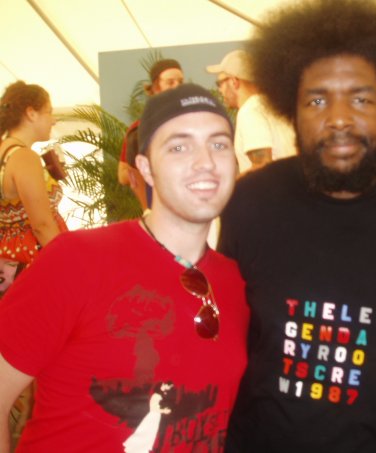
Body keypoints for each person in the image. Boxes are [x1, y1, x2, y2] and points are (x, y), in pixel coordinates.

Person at [217, 1, 376, 451]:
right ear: (291, 109)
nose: (339, 118)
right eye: (317, 100)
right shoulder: (250, 202)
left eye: (361, 99)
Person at [0, 83, 249, 452]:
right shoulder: (76, 261)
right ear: (145, 168)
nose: (205, 162)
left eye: (219, 144)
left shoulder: (238, 282)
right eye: (179, 147)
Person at [0, 81, 67, 283]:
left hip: (10, 260)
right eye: (49, 112)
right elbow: (42, 225)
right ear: (31, 113)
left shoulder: (5, 152)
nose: (53, 120)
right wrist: (69, 262)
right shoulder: (23, 157)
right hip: (34, 259)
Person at [206, 50, 295, 174]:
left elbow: (263, 165)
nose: (220, 90)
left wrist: (230, 184)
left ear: (234, 82)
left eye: (219, 83)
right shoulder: (274, 107)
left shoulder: (249, 111)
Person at [117, 58, 185, 210]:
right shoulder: (140, 129)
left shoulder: (194, 125)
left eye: (180, 82)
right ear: (156, 88)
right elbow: (123, 175)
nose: (177, 87)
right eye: (170, 82)